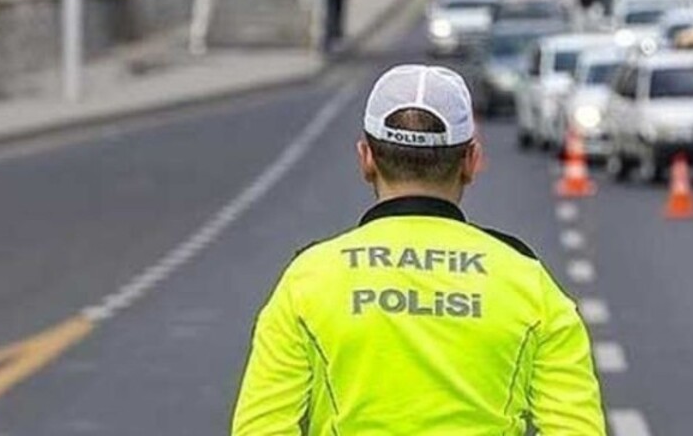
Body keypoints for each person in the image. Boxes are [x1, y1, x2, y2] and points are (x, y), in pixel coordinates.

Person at [231, 65, 606, 434]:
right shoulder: (529, 283)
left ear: (366, 159)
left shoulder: (308, 280)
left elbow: (260, 428)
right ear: (471, 162)